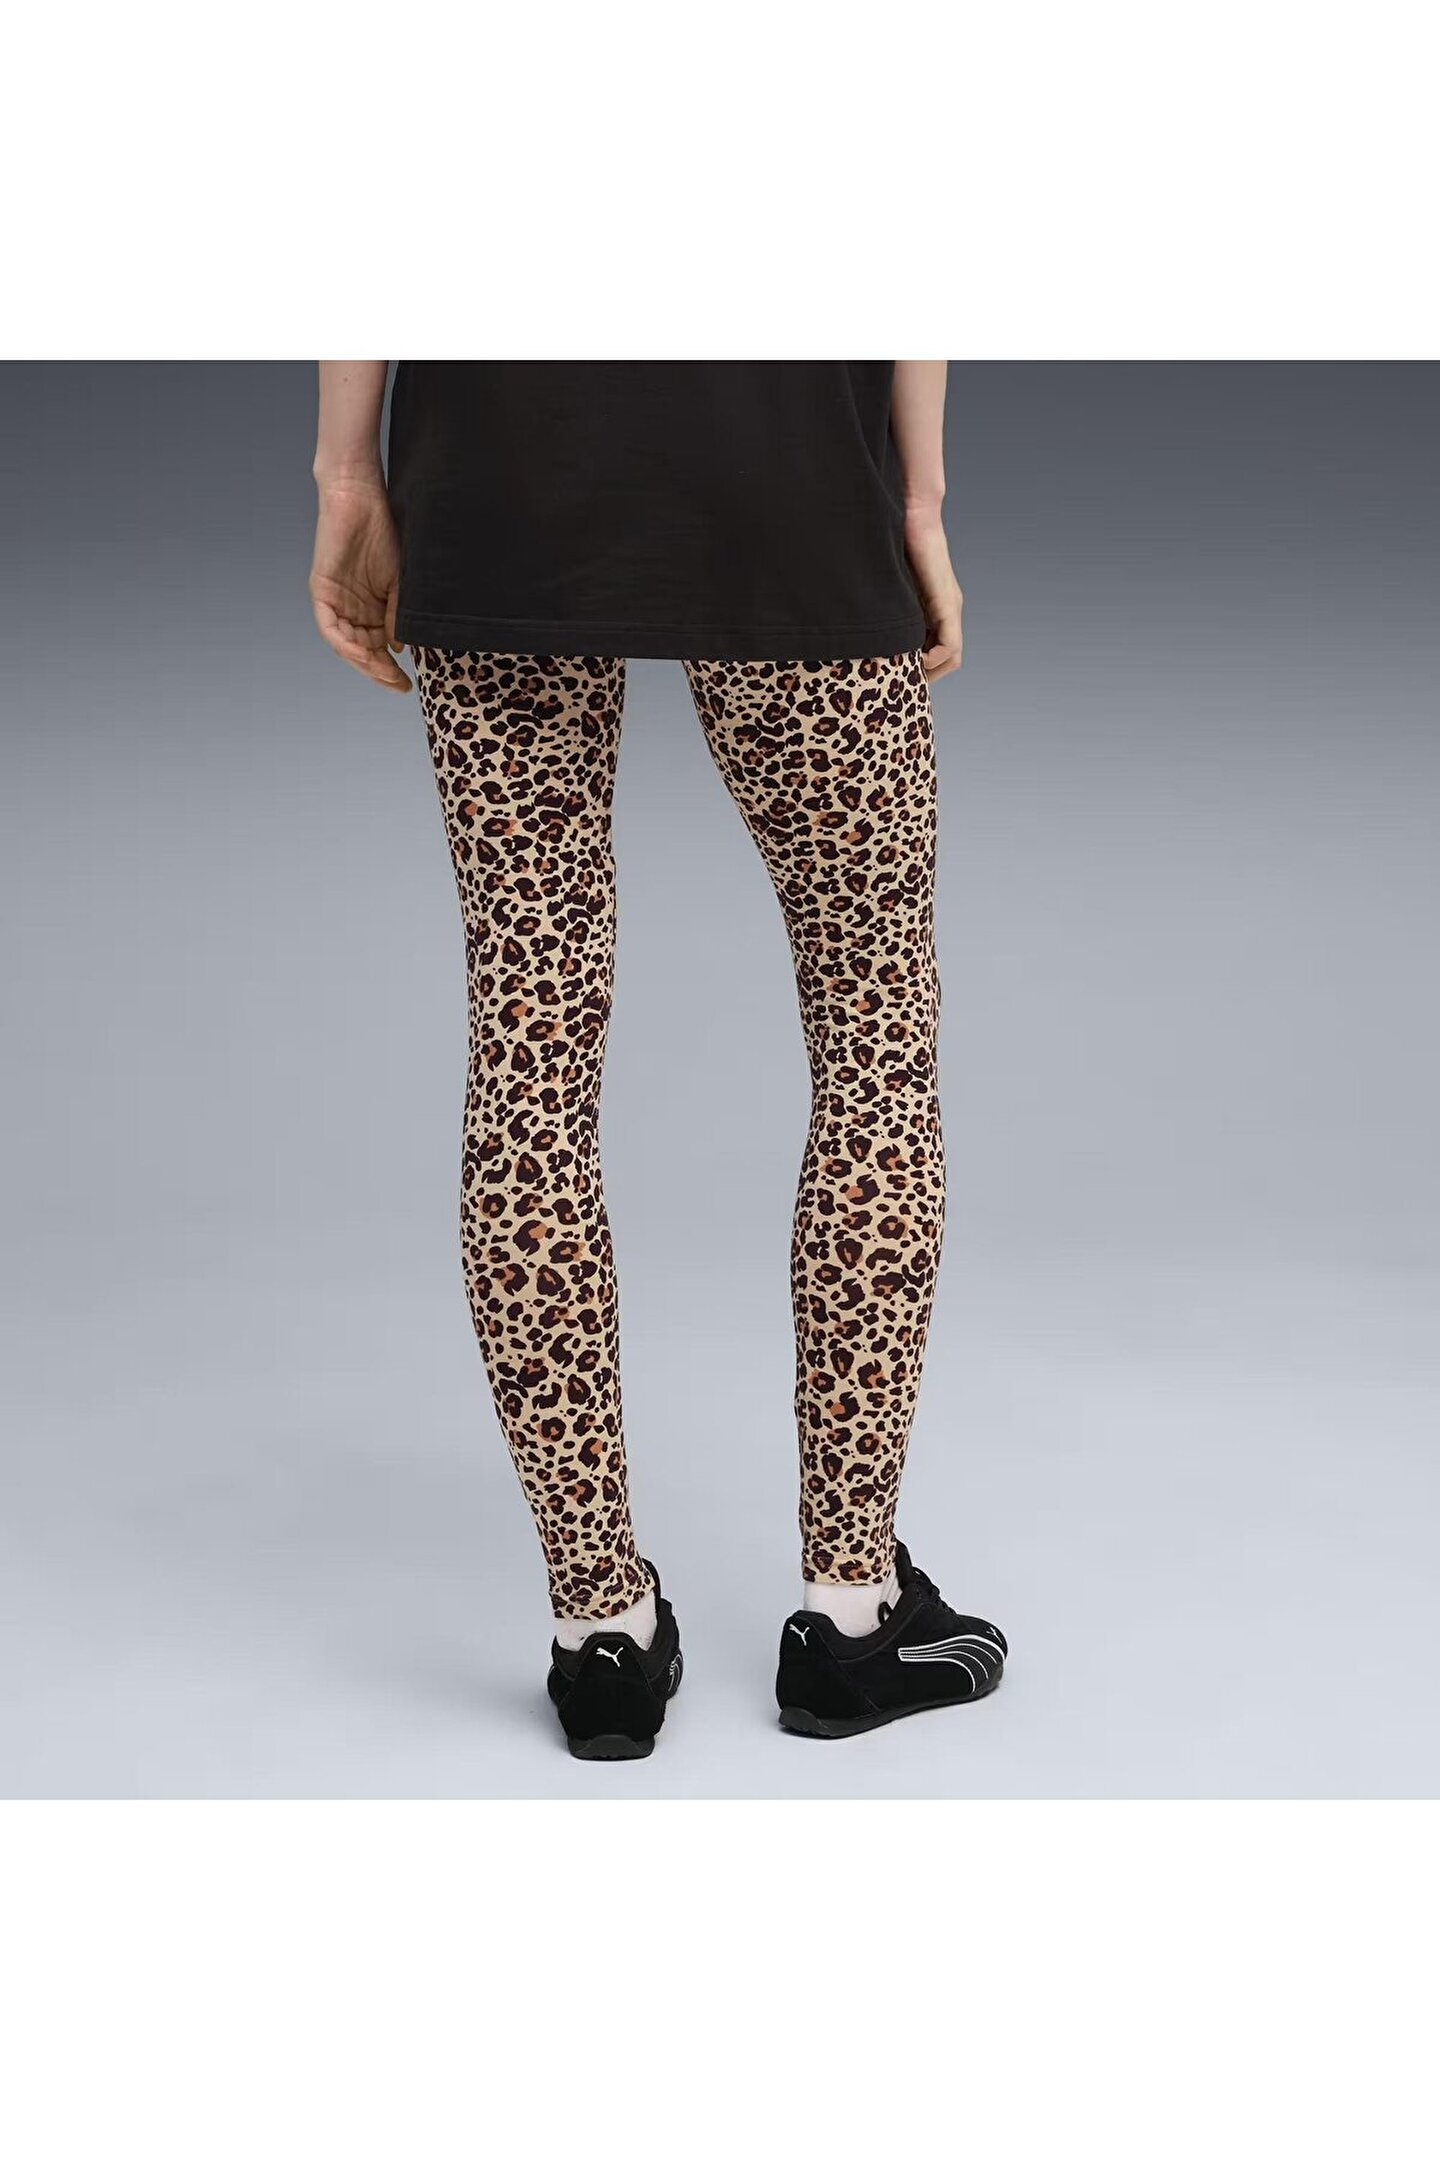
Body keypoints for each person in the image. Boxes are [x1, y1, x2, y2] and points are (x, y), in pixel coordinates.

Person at [309, 361, 1007, 1758]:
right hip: (793, 489)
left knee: (527, 1048)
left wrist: (349, 476)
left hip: (500, 483)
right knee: (876, 1027)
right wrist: (919, 504)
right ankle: (853, 1612)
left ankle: (601, 1633)